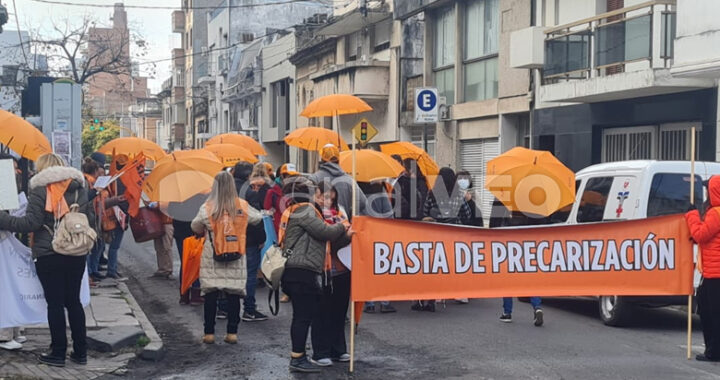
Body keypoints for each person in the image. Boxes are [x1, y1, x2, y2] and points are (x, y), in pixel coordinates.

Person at [0, 153, 94, 367]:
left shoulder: (41, 189)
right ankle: (80, 353)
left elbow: (30, 223)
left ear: (42, 169)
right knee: (74, 302)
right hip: (77, 252)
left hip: (50, 253)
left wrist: (3, 218)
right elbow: (90, 220)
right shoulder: (80, 188)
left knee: (55, 303)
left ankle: (58, 353)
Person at [280, 177, 350, 373]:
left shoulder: (295, 210)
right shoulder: (304, 210)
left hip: (300, 268)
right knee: (303, 317)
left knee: (304, 316)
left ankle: (300, 356)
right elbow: (324, 232)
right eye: (315, 192)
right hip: (302, 270)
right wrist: (343, 227)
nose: (319, 197)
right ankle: (298, 357)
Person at [191, 171, 263, 345]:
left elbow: (195, 226)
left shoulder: (208, 206)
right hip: (236, 254)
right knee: (233, 294)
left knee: (210, 295)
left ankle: (209, 333)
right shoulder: (242, 205)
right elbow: (258, 218)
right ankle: (232, 333)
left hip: (212, 255)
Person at [414, 167, 472, 312]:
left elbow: (425, 212)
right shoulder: (459, 195)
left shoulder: (432, 193)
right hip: (455, 233)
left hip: (436, 233)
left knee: (437, 263)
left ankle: (437, 295)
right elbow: (467, 213)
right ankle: (459, 293)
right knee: (455, 263)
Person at [310, 182, 353, 366]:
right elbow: (325, 236)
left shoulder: (340, 212)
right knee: (321, 311)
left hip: (342, 268)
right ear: (316, 195)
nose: (327, 201)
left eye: (331, 198)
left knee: (339, 311)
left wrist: (343, 233)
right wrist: (345, 234)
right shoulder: (311, 213)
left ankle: (338, 349)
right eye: (324, 197)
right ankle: (321, 351)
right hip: (322, 268)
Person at [490, 198, 547, 326]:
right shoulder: (534, 194)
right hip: (530, 241)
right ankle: (537, 306)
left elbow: (494, 220)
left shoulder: (503, 194)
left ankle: (507, 312)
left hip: (508, 240)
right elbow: (543, 221)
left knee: (508, 278)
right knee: (530, 277)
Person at [685, 175, 720, 362]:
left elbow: (700, 235)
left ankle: (714, 351)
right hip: (712, 271)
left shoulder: (716, 213)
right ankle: (713, 350)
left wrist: (692, 216)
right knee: (710, 310)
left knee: (711, 313)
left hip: (715, 273)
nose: (705, 191)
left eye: (708, 188)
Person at [232, 161, 269, 322]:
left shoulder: (224, 191)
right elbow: (256, 219)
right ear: (248, 175)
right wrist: (262, 238)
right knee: (250, 274)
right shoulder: (249, 192)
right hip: (248, 239)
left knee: (230, 272)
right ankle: (249, 309)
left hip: (228, 238)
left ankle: (224, 307)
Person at [0, 154, 27, 351]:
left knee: (10, 286)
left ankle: (14, 330)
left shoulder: (11, 185)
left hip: (7, 239)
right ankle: (4, 334)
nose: (17, 172)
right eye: (14, 167)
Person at [359, 180, 397, 314]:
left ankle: (369, 302)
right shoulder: (380, 193)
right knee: (382, 269)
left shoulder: (358, 193)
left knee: (367, 270)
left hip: (363, 236)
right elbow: (389, 215)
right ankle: (384, 302)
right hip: (380, 236)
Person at [308, 144, 367, 220]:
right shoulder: (349, 180)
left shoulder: (314, 178)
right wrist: (348, 213)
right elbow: (362, 202)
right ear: (339, 159)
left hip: (319, 225)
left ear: (322, 159)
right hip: (343, 225)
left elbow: (307, 202)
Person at [105, 154, 130, 280]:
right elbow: (125, 200)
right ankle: (112, 270)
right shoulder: (123, 180)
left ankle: (112, 269)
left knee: (112, 244)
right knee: (115, 245)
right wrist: (126, 218)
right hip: (118, 216)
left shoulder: (111, 178)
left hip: (110, 214)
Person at [264, 164, 300, 234]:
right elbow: (267, 213)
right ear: (282, 176)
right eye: (289, 176)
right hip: (277, 230)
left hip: (293, 229)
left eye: (294, 176)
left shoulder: (297, 190)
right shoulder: (272, 192)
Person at [147, 201, 174, 279]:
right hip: (157, 221)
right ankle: (162, 268)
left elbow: (167, 204)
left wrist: (156, 204)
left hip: (167, 222)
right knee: (159, 247)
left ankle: (168, 269)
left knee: (166, 247)